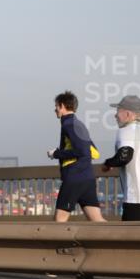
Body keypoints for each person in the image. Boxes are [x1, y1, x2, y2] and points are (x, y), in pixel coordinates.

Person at [47, 91, 105, 223]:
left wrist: (56, 154)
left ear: (62, 106)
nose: (54, 109)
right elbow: (94, 152)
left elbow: (82, 151)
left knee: (59, 220)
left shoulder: (69, 125)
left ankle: (62, 244)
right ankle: (118, 241)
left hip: (74, 177)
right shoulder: (79, 124)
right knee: (97, 220)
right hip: (88, 178)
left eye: (56, 106)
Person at [102, 95, 140, 221]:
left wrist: (108, 163)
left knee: (130, 240)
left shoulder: (127, 130)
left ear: (128, 114)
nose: (115, 116)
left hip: (136, 201)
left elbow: (124, 156)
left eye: (118, 111)